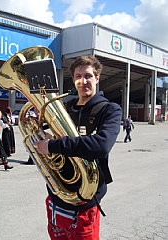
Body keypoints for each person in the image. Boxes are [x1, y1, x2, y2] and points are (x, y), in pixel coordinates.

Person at [34, 55, 122, 240]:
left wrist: (53, 145)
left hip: (86, 199)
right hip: (57, 194)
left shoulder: (110, 110)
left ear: (97, 77)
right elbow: (43, 132)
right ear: (73, 80)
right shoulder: (63, 107)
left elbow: (102, 145)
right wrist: (38, 124)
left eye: (88, 76)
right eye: (78, 76)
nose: (83, 81)